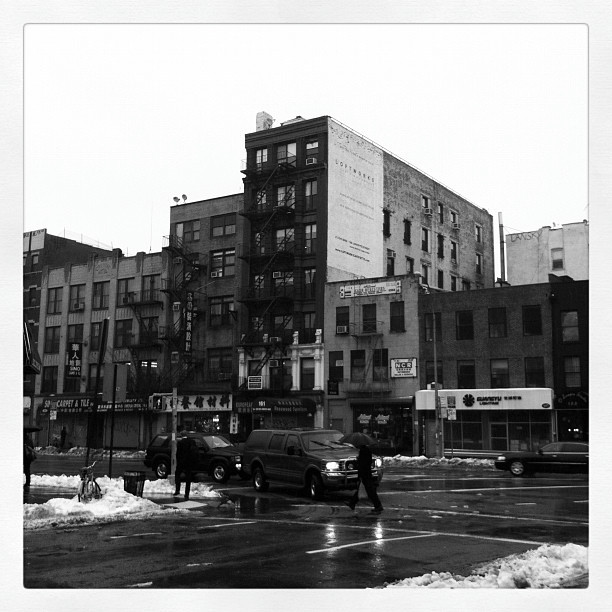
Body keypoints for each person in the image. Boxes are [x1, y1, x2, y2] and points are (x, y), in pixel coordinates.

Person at [346, 443, 383, 514]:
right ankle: (352, 503)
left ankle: (378, 506)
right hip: (366, 473)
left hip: (365, 474)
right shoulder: (366, 450)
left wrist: (357, 462)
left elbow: (363, 464)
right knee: (363, 488)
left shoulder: (363, 451)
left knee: (370, 490)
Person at [174, 433, 199, 500]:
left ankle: (177, 490)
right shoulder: (192, 442)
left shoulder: (180, 443)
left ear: (182, 436)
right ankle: (186, 494)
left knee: (177, 474)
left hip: (181, 462)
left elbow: (178, 454)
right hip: (189, 462)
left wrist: (178, 462)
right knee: (188, 478)